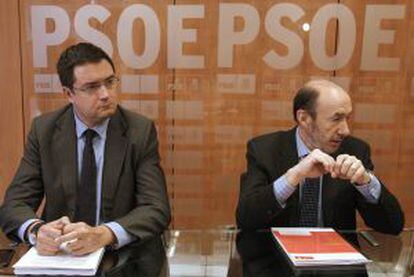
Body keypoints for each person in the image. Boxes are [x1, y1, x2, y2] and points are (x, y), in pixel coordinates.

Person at [0, 42, 171, 255]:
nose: (105, 94)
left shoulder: (139, 131)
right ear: (69, 94)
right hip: (61, 256)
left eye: (110, 82)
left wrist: (104, 234)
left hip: (119, 258)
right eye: (91, 87)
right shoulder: (44, 130)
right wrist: (36, 231)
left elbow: (156, 208)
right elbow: (15, 204)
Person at [236, 79, 404, 234]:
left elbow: (393, 226)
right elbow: (245, 219)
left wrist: (366, 182)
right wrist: (292, 177)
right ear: (304, 118)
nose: (345, 130)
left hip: (336, 261)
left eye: (347, 118)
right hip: (277, 261)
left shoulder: (355, 150)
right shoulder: (264, 149)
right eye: (336, 119)